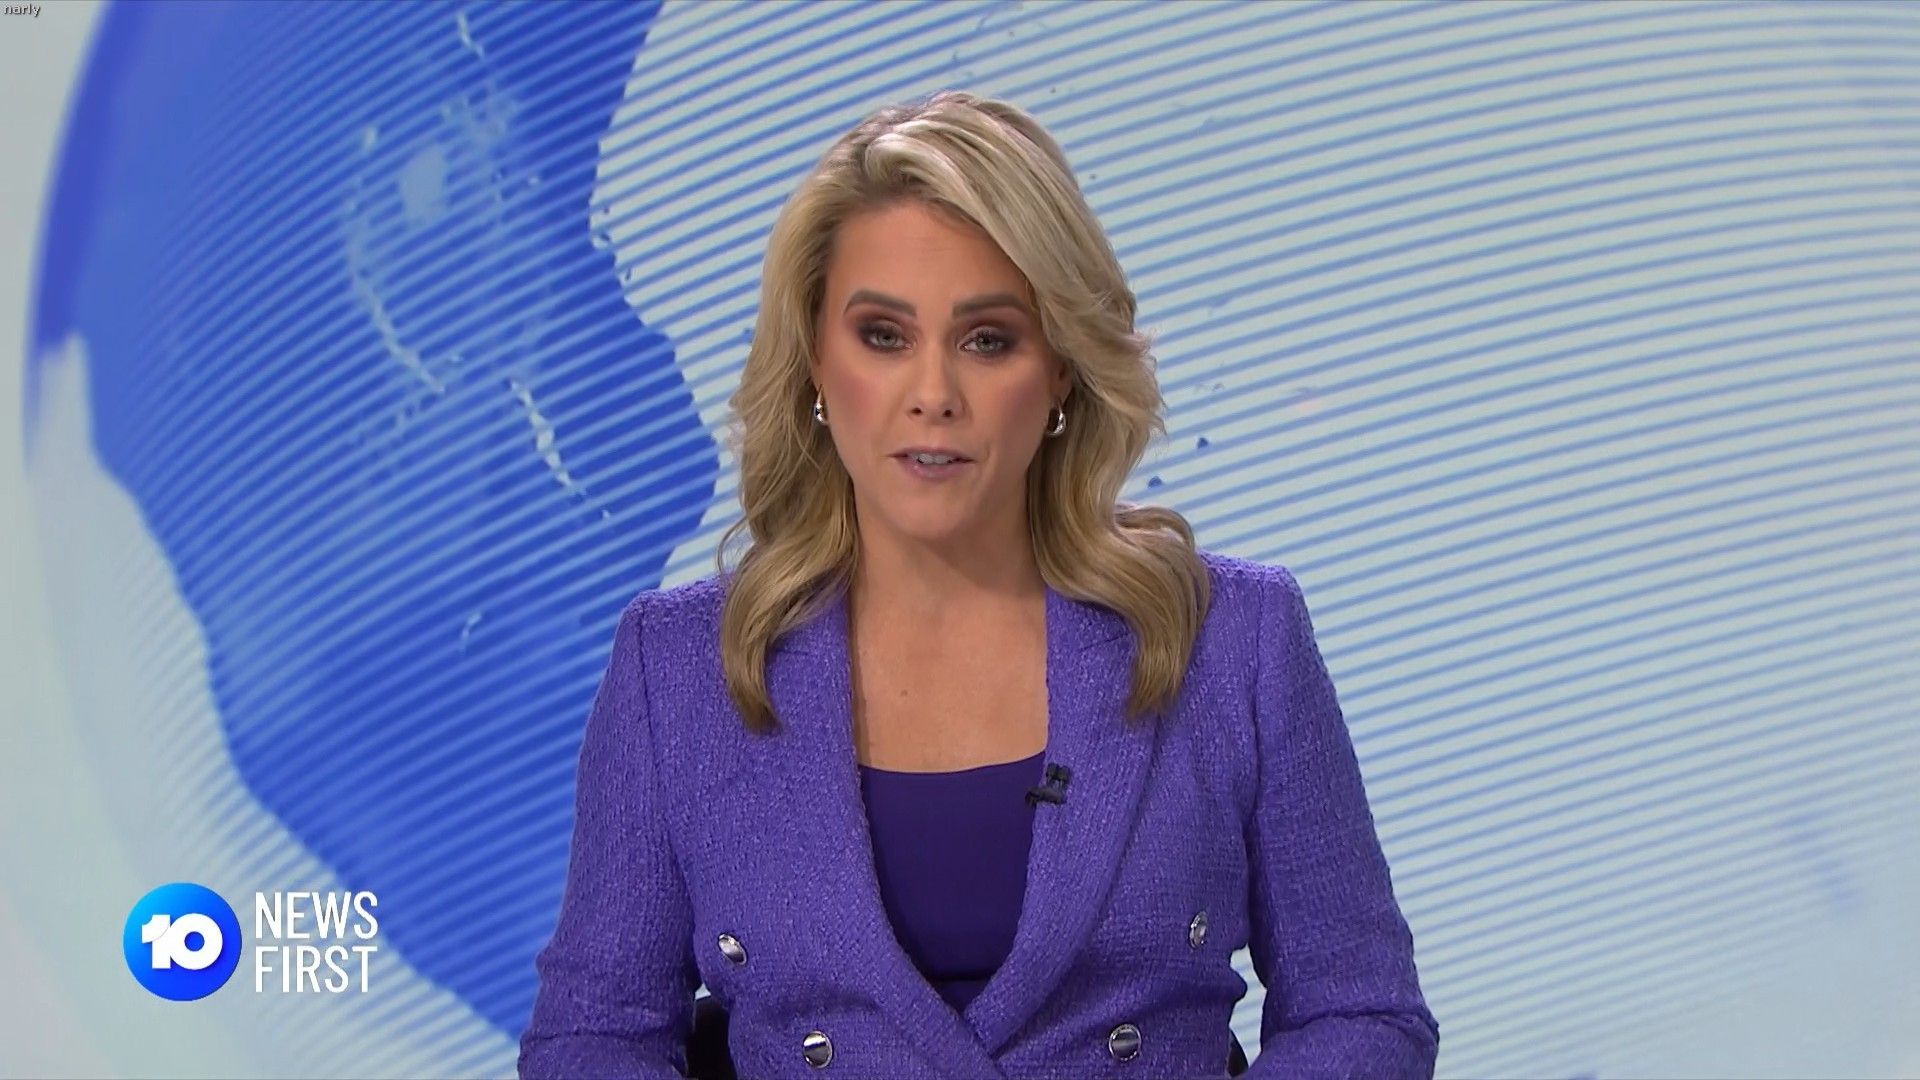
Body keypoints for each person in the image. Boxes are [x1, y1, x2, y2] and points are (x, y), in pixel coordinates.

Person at [518, 89, 1438, 1079]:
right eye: (883, 336)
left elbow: (1362, 1014)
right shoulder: (677, 670)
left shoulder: (1235, 641)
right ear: (816, 363)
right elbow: (593, 1038)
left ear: (1062, 371)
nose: (933, 395)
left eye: (987, 339)